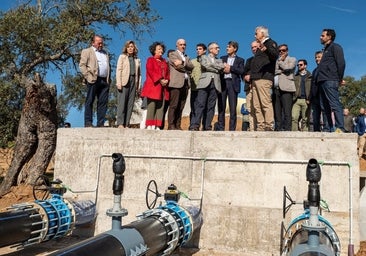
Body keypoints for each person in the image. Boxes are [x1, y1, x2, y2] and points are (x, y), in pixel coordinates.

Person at [190, 42, 225, 131]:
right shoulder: (203, 57)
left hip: (215, 84)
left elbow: (221, 68)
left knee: (211, 106)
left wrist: (212, 66)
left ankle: (207, 126)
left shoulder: (219, 60)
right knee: (200, 104)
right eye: (216, 48)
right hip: (204, 83)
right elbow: (205, 65)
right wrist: (216, 67)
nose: (218, 49)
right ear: (210, 49)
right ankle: (195, 125)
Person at [317, 28, 346, 132]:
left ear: (329, 37)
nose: (320, 37)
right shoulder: (325, 50)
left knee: (334, 104)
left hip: (330, 80)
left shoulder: (335, 47)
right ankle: (328, 128)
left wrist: (339, 78)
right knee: (324, 107)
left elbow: (341, 63)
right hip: (322, 81)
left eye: (322, 35)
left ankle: (340, 128)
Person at [250, 26, 278, 131]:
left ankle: (269, 125)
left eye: (256, 33)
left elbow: (275, 55)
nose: (255, 35)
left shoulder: (270, 43)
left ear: (263, 33)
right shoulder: (259, 47)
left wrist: (266, 50)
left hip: (264, 78)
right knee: (257, 105)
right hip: (256, 78)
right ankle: (260, 126)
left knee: (265, 102)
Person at [79, 35, 111, 127]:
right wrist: (87, 76)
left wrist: (109, 78)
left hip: (104, 80)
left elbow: (108, 66)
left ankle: (100, 123)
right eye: (99, 43)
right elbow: (82, 65)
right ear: (93, 43)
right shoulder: (87, 51)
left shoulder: (105, 53)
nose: (101, 44)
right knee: (90, 100)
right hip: (93, 79)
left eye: (102, 43)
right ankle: (88, 122)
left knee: (103, 102)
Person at [216, 41, 245, 131]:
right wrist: (223, 68)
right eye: (227, 46)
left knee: (233, 108)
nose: (227, 48)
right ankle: (221, 128)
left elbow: (241, 71)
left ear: (235, 48)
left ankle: (232, 129)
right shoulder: (222, 58)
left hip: (233, 85)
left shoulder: (240, 60)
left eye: (229, 47)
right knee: (221, 107)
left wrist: (230, 68)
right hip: (223, 83)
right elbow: (218, 68)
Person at [140, 42, 170, 130]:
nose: (161, 50)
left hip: (163, 87)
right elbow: (151, 71)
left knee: (160, 107)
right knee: (152, 105)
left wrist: (167, 80)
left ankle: (157, 125)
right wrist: (160, 79)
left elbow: (168, 73)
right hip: (154, 86)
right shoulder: (150, 60)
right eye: (159, 49)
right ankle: (149, 124)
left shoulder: (164, 61)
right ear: (154, 51)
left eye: (162, 49)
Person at [167, 39, 194, 130]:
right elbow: (177, 66)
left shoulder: (186, 57)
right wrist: (186, 67)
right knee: (174, 105)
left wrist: (183, 63)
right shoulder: (173, 54)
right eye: (181, 44)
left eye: (184, 44)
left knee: (181, 106)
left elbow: (191, 67)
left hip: (186, 84)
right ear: (177, 45)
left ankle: (178, 125)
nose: (183, 46)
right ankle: (171, 125)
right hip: (176, 83)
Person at [116, 40, 141, 128]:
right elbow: (118, 70)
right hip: (124, 81)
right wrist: (118, 83)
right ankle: (120, 123)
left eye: (132, 47)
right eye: (129, 47)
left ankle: (127, 123)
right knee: (122, 102)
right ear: (126, 48)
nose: (130, 48)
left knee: (130, 104)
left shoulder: (137, 59)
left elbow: (139, 74)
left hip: (133, 81)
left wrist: (138, 86)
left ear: (134, 48)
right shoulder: (122, 57)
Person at [274, 44, 296, 131]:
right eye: (279, 51)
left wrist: (280, 62)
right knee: (277, 111)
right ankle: (278, 128)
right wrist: (281, 70)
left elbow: (288, 68)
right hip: (276, 88)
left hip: (287, 88)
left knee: (287, 111)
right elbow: (274, 71)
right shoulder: (277, 60)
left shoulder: (292, 59)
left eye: (283, 50)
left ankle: (287, 129)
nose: (281, 52)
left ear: (287, 51)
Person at [243, 41, 260, 131]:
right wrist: (245, 77)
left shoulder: (264, 59)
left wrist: (252, 76)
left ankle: (261, 128)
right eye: (252, 47)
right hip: (249, 88)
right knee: (250, 109)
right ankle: (253, 129)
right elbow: (244, 72)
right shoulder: (249, 60)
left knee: (259, 108)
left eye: (255, 47)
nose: (254, 49)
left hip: (259, 87)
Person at [189, 43, 207, 129]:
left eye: (200, 49)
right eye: (197, 49)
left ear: (204, 50)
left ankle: (201, 126)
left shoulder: (208, 61)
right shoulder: (192, 61)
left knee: (202, 107)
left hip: (203, 88)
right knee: (193, 108)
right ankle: (192, 125)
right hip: (194, 88)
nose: (198, 51)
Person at [310, 51, 329, 132]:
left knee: (325, 111)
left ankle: (326, 129)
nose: (317, 59)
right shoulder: (314, 71)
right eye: (316, 57)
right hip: (315, 96)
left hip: (323, 94)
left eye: (319, 57)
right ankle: (316, 130)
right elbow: (312, 84)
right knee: (315, 115)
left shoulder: (327, 67)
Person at [292, 59, 312, 131]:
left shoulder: (310, 76)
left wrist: (309, 99)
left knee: (305, 119)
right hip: (296, 100)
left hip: (306, 100)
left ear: (305, 66)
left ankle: (305, 134)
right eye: (298, 65)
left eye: (300, 65)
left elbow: (312, 89)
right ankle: (293, 134)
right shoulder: (295, 76)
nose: (299, 66)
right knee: (294, 117)